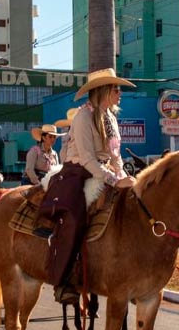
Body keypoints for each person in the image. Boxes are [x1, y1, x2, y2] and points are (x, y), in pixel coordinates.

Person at [41, 68, 136, 304]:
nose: (119, 92)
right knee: (74, 218)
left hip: (103, 170)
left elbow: (115, 154)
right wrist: (114, 179)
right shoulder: (83, 117)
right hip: (78, 173)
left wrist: (122, 174)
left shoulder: (110, 117)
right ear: (102, 90)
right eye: (116, 88)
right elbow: (86, 159)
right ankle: (63, 279)